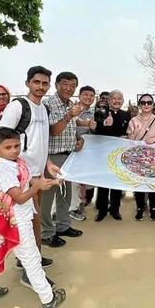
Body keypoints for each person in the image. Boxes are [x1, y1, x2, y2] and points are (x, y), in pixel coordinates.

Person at [0, 128, 66, 308]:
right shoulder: (4, 170)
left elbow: (28, 181)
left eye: (17, 146)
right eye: (8, 147)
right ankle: (48, 298)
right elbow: (19, 198)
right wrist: (37, 187)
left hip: (8, 218)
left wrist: (50, 183)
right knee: (31, 258)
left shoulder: (17, 162)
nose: (14, 150)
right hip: (15, 220)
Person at [0, 66, 60, 275]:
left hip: (37, 174)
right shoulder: (18, 106)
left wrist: (48, 163)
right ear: (28, 83)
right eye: (36, 82)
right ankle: (30, 266)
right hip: (22, 176)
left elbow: (42, 141)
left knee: (34, 220)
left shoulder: (44, 109)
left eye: (44, 83)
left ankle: (32, 260)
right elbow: (1, 139)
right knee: (28, 221)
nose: (41, 87)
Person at [41, 71, 85, 247]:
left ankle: (63, 226)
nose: (69, 88)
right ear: (57, 85)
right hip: (52, 158)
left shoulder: (70, 104)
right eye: (65, 84)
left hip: (69, 156)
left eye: (73, 85)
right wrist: (69, 116)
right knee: (47, 197)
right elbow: (53, 131)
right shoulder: (48, 104)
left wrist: (78, 139)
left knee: (64, 195)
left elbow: (69, 130)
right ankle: (46, 233)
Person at [127, 93, 155, 221]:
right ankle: (140, 207)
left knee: (153, 183)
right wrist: (133, 135)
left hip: (154, 157)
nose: (146, 105)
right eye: (143, 102)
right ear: (140, 104)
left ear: (152, 104)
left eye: (149, 102)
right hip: (138, 156)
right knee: (139, 183)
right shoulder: (133, 121)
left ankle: (153, 208)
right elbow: (130, 140)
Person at [94, 89, 132, 221]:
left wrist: (127, 136)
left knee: (117, 181)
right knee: (103, 182)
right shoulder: (101, 112)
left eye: (119, 98)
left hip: (120, 154)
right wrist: (104, 123)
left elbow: (129, 132)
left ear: (123, 101)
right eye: (114, 98)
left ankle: (115, 210)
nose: (117, 101)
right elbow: (96, 128)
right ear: (109, 100)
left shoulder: (127, 115)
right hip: (103, 153)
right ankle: (102, 210)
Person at [69, 85, 97, 221]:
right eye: (85, 94)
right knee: (71, 180)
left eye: (91, 96)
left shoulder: (94, 114)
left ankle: (79, 204)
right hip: (71, 149)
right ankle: (72, 208)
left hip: (86, 151)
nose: (88, 98)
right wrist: (77, 139)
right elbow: (68, 128)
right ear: (79, 96)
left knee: (83, 181)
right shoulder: (72, 110)